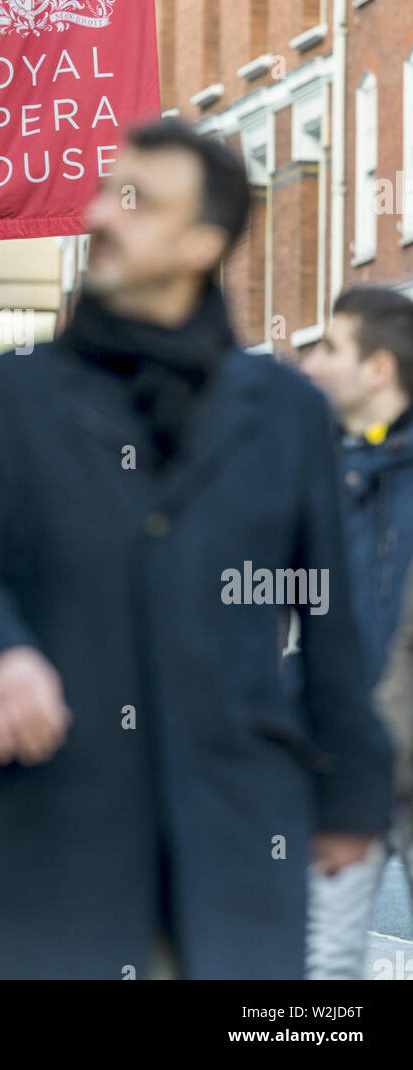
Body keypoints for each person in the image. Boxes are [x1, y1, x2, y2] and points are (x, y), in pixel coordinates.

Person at [0, 117, 393, 981]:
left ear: (202, 242)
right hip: (61, 818)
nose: (103, 214)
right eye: (106, 191)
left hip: (237, 822)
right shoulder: (7, 395)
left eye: (136, 203)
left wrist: (351, 792)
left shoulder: (282, 411)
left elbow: (331, 615)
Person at [301, 287, 413, 977]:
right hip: (343, 761)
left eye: (330, 348)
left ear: (377, 369)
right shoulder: (325, 474)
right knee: (324, 961)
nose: (311, 365)